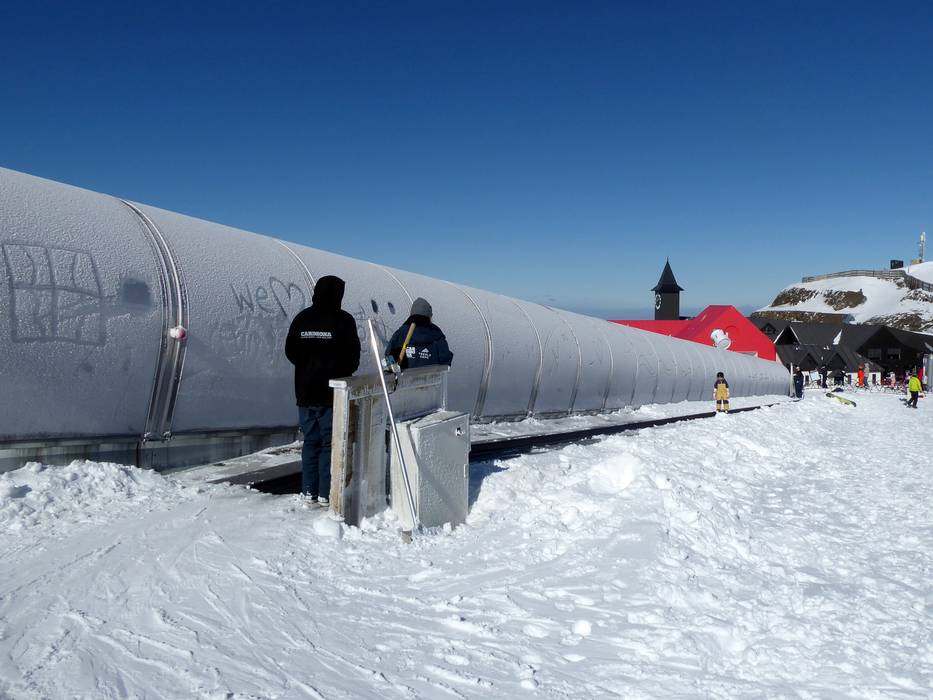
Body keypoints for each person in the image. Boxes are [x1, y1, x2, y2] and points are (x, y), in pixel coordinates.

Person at [285, 275, 361, 508]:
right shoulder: (344, 320)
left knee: (311, 442)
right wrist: (335, 370)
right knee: (330, 443)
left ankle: (308, 491)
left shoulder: (302, 318)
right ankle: (325, 493)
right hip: (331, 395)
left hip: (305, 393)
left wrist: (308, 367)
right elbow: (353, 357)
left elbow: (290, 351)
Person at [386, 297, 454, 370]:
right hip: (432, 376)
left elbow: (388, 357)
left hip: (405, 377)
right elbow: (445, 359)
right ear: (429, 316)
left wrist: (391, 368)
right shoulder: (436, 333)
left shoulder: (401, 333)